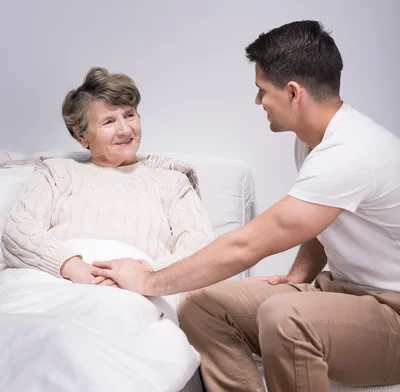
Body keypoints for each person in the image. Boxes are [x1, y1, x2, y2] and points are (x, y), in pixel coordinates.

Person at [90, 21, 400, 392]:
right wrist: (298, 277)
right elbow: (322, 222)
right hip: (340, 294)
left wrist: (148, 281)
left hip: (390, 313)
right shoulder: (315, 140)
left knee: (285, 316)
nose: (258, 102)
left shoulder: (350, 152)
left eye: (262, 91)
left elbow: (247, 245)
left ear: (293, 93)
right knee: (201, 306)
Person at [2, 67, 213, 285]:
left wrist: (145, 274)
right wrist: (71, 266)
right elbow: (17, 231)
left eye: (130, 115)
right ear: (82, 135)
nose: (125, 130)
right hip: (55, 284)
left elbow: (201, 250)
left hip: (135, 292)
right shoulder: (57, 173)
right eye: (109, 122)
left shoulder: (171, 181)